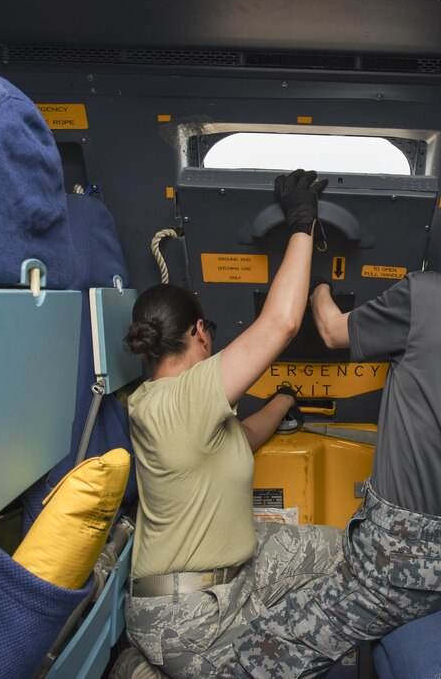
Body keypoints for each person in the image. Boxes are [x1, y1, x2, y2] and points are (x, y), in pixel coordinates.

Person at [224, 157, 441, 678]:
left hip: (396, 565)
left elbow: (332, 331)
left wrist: (316, 286)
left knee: (252, 656)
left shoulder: (427, 297)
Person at [115, 170, 343, 678]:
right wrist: (302, 223)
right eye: (209, 332)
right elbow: (281, 322)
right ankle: (144, 669)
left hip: (238, 572)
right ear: (198, 332)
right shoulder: (185, 396)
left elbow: (238, 439)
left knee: (351, 552)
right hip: (189, 616)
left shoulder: (169, 405)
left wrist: (283, 401)